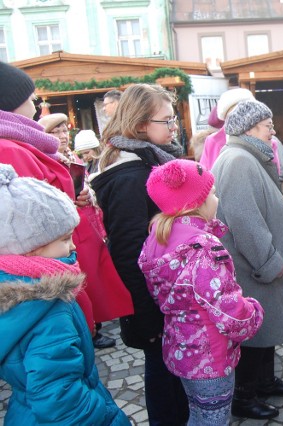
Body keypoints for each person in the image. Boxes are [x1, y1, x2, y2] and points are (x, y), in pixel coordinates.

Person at [0, 62, 130, 351]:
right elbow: (30, 215)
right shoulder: (9, 146)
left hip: (57, 252)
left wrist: (73, 194)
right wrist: (69, 199)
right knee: (61, 347)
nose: (36, 106)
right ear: (12, 102)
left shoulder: (17, 141)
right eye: (31, 98)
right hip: (46, 264)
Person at [89, 83, 189, 425]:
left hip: (165, 292)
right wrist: (145, 314)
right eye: (167, 120)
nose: (174, 127)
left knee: (172, 370)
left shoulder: (148, 161)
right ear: (141, 124)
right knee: (163, 373)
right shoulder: (130, 174)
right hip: (153, 300)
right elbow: (129, 249)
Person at [0, 164, 130, 426]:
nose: (72, 246)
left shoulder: (16, 291)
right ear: (31, 249)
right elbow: (61, 401)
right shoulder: (48, 308)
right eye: (64, 239)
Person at [138, 159, 265, 425]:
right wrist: (253, 310)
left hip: (180, 348)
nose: (217, 198)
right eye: (213, 193)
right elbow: (228, 310)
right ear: (198, 202)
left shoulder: (157, 238)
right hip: (210, 354)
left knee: (198, 413)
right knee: (214, 419)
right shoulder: (204, 248)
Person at [212, 100, 283, 420]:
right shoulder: (239, 160)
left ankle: (264, 381)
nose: (274, 130)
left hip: (258, 267)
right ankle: (244, 395)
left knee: (265, 324)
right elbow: (245, 221)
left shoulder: (248, 156)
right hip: (252, 267)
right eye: (268, 125)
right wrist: (269, 261)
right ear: (251, 129)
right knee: (252, 333)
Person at [40, 113, 133, 351]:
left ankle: (96, 323)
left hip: (84, 226)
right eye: (55, 132)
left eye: (63, 131)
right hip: (68, 231)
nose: (61, 136)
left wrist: (87, 194)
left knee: (94, 276)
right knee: (81, 279)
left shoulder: (69, 155)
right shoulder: (44, 159)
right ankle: (89, 328)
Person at [200, 88, 283, 182]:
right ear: (226, 117)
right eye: (235, 112)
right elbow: (203, 175)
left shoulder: (269, 142)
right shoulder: (212, 141)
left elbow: (275, 177)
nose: (241, 116)